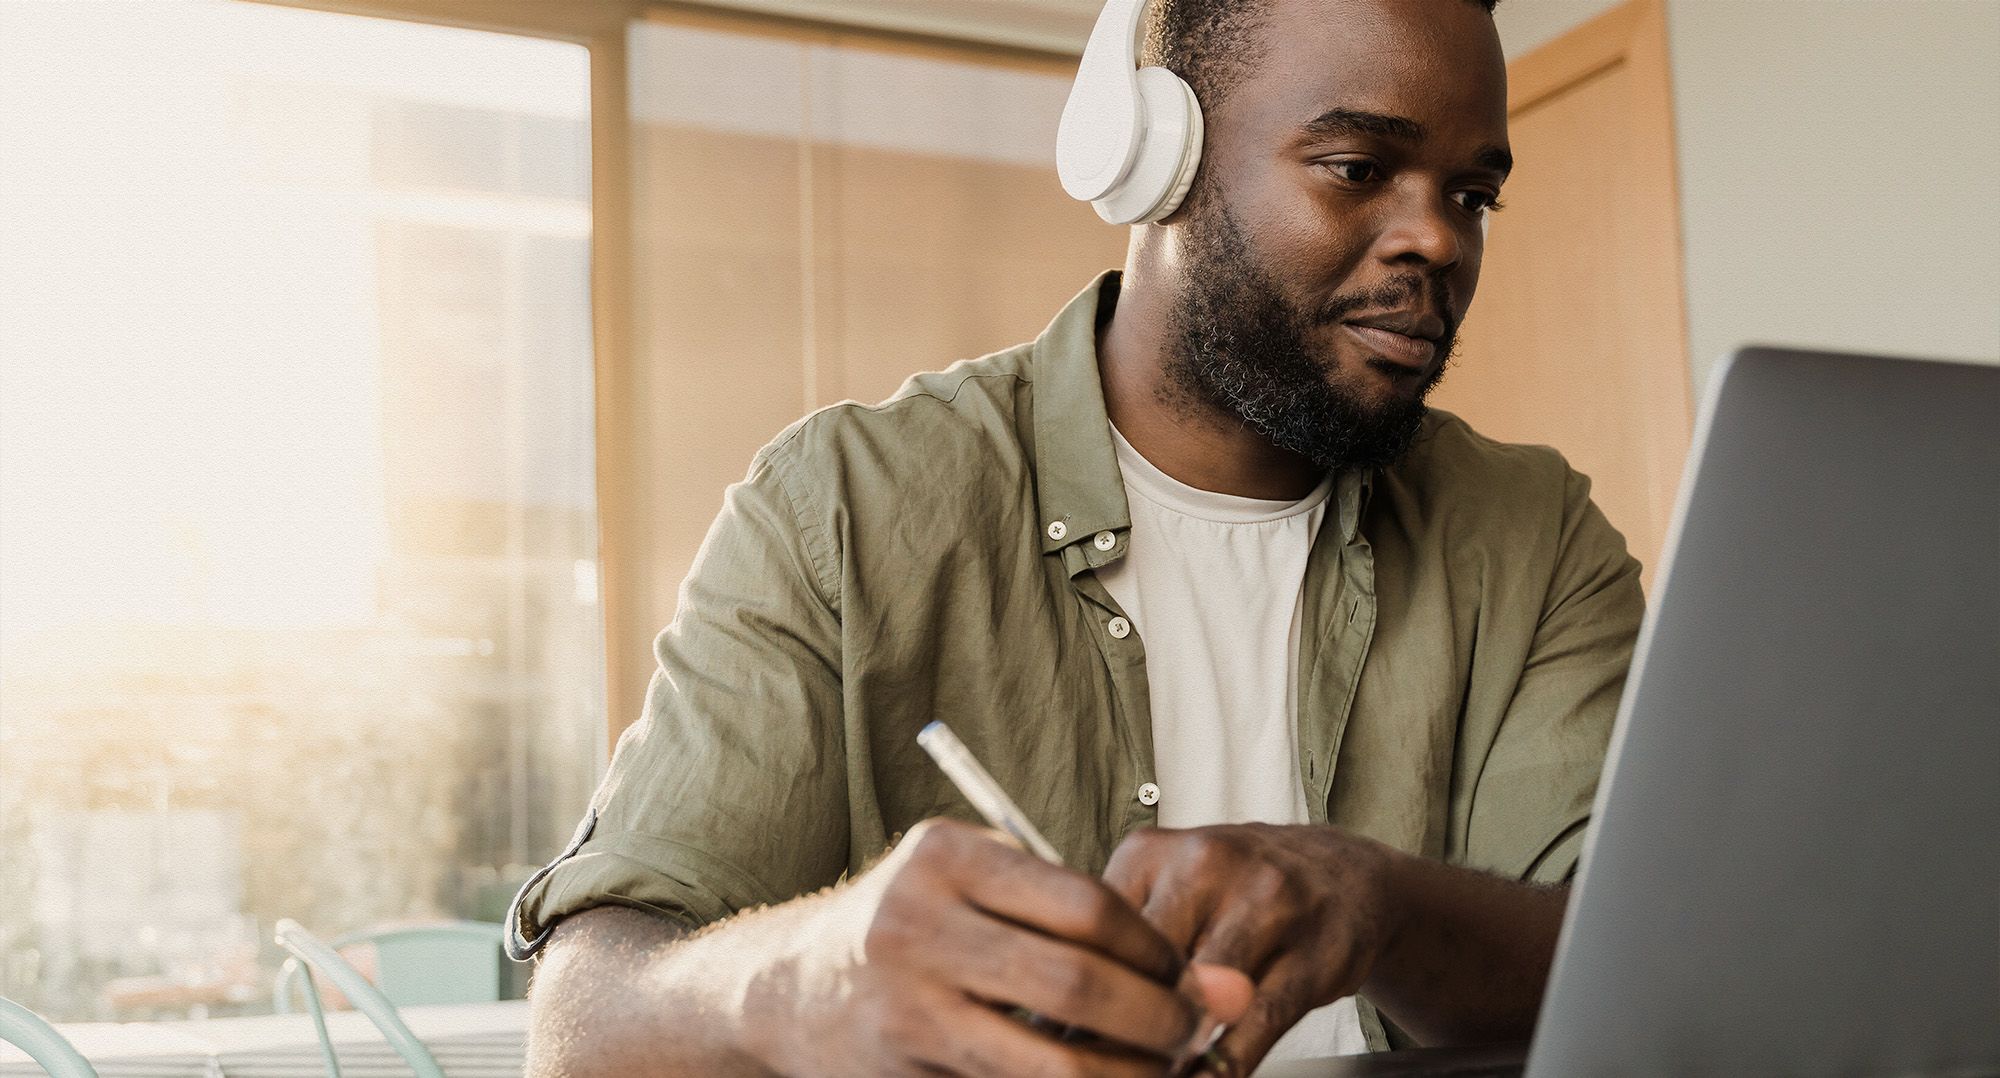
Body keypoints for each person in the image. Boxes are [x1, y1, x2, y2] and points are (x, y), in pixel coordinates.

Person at [513, 0, 1643, 1073]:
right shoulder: (844, 505)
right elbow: (582, 1027)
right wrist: (804, 975)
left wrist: (1378, 906)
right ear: (1157, 157)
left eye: (1471, 196)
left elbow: (1636, 969)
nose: (1436, 242)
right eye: (1357, 168)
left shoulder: (1533, 535)